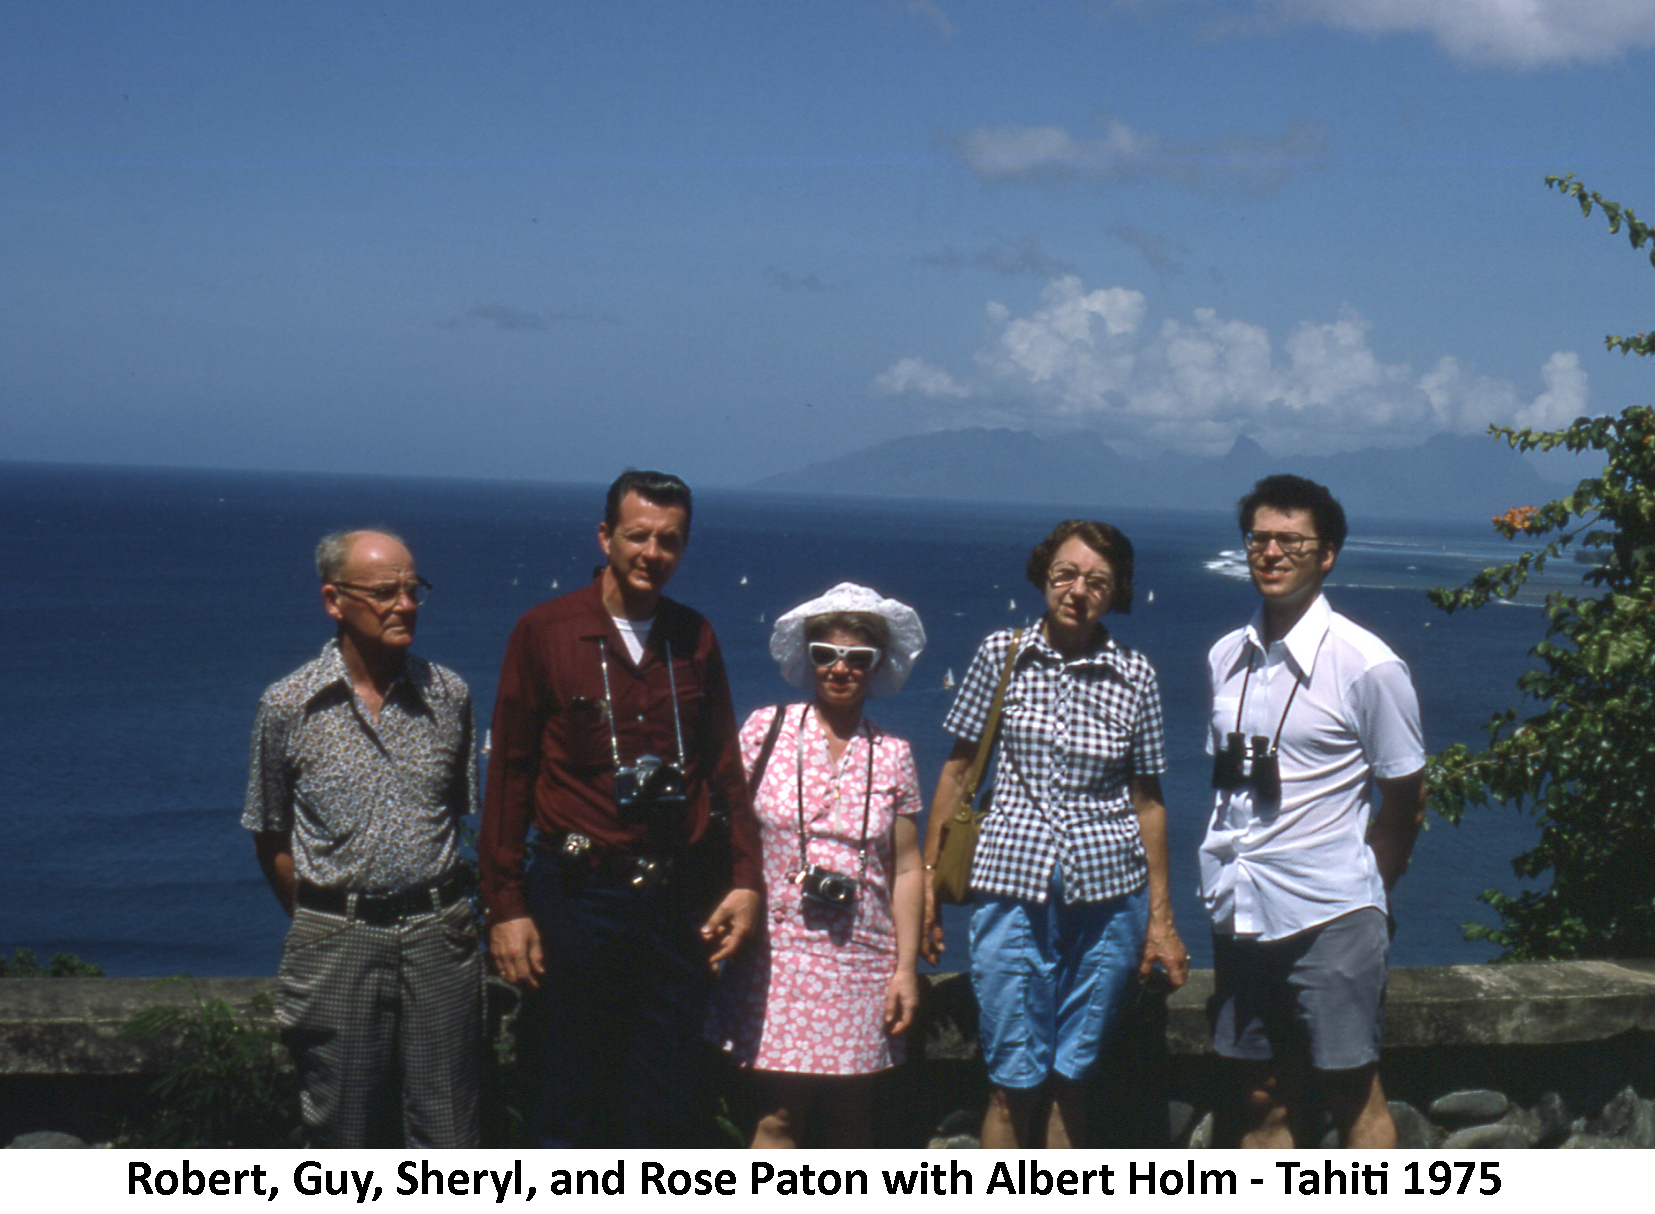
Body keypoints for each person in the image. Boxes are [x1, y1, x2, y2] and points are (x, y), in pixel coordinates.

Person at [480, 469, 765, 1147]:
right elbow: (510, 775)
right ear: (605, 536)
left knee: (663, 1103)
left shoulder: (693, 637)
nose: (651, 553)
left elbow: (725, 771)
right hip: (577, 897)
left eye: (669, 541)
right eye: (637, 536)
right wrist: (506, 906)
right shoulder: (545, 632)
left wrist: (746, 881)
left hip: (674, 903)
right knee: (566, 1094)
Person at [921, 519, 1189, 1149]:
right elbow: (960, 770)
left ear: (1116, 590)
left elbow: (1148, 803)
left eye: (1096, 580)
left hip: (1108, 901)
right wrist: (930, 881)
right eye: (1065, 574)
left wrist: (1162, 919)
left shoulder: (1136, 674)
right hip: (1010, 889)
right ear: (1044, 575)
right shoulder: (1001, 654)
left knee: (1075, 1078)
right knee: (1011, 1080)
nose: (1077, 590)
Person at [1198, 474, 1426, 1149]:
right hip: (1240, 911)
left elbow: (1405, 799)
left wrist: (1363, 889)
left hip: (1330, 914)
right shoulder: (1224, 656)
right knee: (1259, 1097)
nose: (1269, 553)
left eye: (1289, 541)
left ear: (1326, 555)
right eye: (1258, 539)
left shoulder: (1367, 665)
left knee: (1350, 1093)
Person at [242, 530, 480, 1148]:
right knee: (341, 1131)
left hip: (438, 936)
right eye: (383, 592)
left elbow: (455, 815)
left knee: (450, 1132)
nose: (404, 604)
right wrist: (326, 920)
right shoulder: (289, 705)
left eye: (412, 589)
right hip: (337, 940)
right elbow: (270, 835)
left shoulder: (449, 695)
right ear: (334, 600)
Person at [709, 583, 927, 1148]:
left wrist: (905, 970)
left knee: (851, 1124)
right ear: (807, 659)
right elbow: (727, 827)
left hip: (862, 960)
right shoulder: (765, 730)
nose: (839, 669)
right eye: (825, 655)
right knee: (776, 1118)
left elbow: (907, 869)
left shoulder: (894, 754)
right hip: (775, 957)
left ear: (876, 667)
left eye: (858, 659)